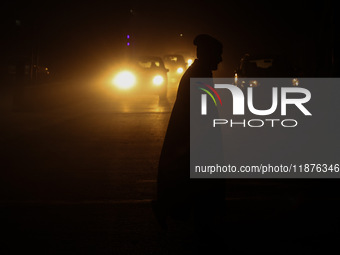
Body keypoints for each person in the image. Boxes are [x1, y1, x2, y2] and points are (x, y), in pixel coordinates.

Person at [152, 34, 225, 235]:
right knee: (198, 186)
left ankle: (172, 209)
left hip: (192, 140)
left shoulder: (198, 73)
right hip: (194, 141)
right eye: (218, 54)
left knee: (189, 184)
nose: (220, 59)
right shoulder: (198, 75)